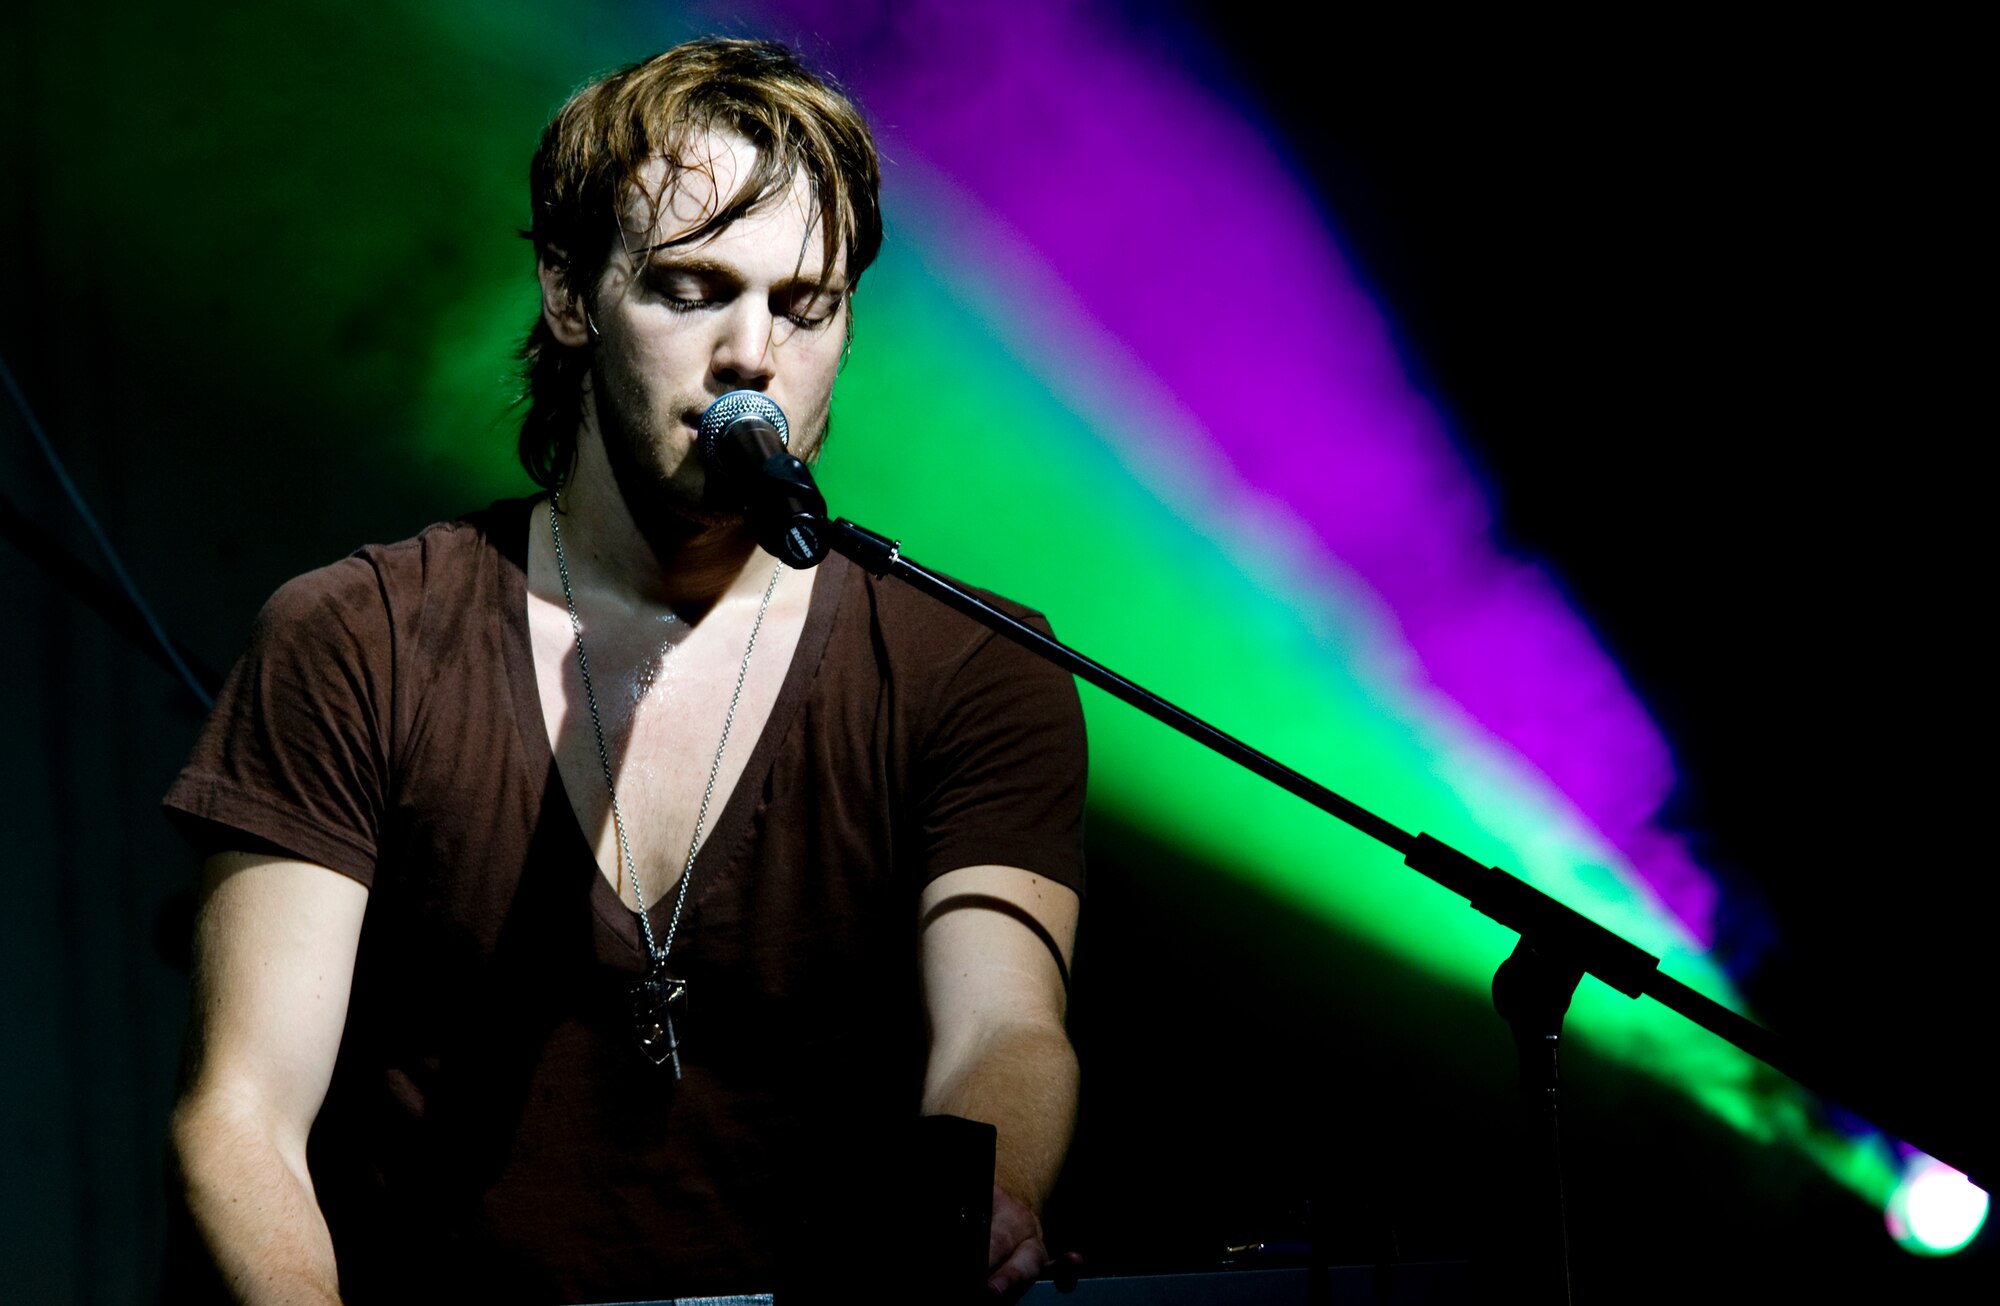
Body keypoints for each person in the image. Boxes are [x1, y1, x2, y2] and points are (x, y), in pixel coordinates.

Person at [164, 37, 1086, 1304]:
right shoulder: (355, 638)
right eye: (692, 289)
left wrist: (986, 1201)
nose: (752, 354)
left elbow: (1004, 1026)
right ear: (569, 293)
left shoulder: (971, 661)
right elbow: (240, 1115)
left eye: (802, 305)